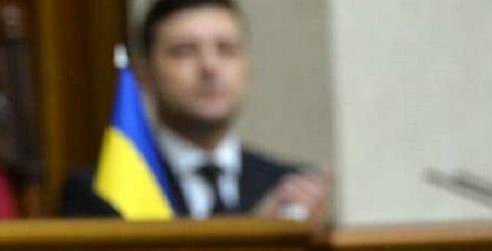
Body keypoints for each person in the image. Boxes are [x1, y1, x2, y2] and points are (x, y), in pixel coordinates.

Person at [61, 0, 331, 227]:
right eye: (185, 51)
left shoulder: (286, 187)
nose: (210, 67)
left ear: (247, 68)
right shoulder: (104, 192)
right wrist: (256, 233)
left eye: (226, 49)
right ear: (144, 74)